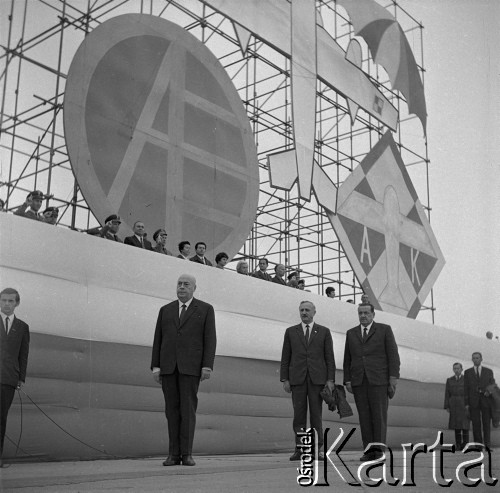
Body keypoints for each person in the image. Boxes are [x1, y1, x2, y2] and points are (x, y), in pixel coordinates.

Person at [151, 274, 216, 467]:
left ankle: (186, 454)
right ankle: (173, 454)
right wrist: (156, 366)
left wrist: (207, 365)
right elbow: (158, 339)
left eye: (186, 284)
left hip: (191, 368)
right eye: (179, 284)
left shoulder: (205, 309)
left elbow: (210, 339)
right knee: (171, 411)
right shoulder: (165, 310)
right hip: (168, 368)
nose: (181, 287)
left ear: (194, 288)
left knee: (188, 411)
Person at [343, 303, 400, 461]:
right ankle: (368, 451)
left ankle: (379, 451)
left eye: (366, 313)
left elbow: (393, 356)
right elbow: (348, 358)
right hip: (359, 381)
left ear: (373, 314)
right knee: (364, 417)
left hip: (379, 380)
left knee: (379, 416)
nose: (363, 316)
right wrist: (347, 379)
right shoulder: (351, 333)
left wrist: (393, 379)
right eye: (360, 313)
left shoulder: (384, 330)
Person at [280, 301, 335, 461]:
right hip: (297, 380)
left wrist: (330, 379)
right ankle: (300, 449)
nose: (304, 313)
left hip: (317, 380)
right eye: (302, 310)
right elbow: (285, 357)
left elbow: (329, 358)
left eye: (307, 310)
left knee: (316, 415)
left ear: (314, 312)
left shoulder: (324, 332)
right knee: (299, 416)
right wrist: (285, 379)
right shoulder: (291, 332)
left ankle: (317, 449)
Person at [0, 288, 30, 467]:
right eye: (4, 300)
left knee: (0, 419)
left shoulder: (22, 327)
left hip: (8, 380)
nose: (7, 304)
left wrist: (21, 378)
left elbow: (23, 355)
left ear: (16, 303)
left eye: (11, 301)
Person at [464, 352, 495, 451]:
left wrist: (488, 392)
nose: (475, 359)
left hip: (486, 401)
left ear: (481, 359)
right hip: (473, 401)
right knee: (476, 424)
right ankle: (478, 445)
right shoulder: (467, 372)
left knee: (486, 423)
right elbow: (466, 388)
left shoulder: (488, 371)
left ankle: (487, 445)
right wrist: (466, 404)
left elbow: (492, 385)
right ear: (472, 360)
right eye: (474, 358)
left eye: (477, 358)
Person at [444, 362, 469, 451]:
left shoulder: (467, 380)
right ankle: (458, 444)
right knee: (456, 425)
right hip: (454, 404)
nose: (456, 370)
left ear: (462, 369)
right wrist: (447, 405)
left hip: (464, 404)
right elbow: (447, 393)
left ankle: (465, 444)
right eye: (454, 368)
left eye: (458, 368)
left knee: (465, 425)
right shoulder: (449, 380)